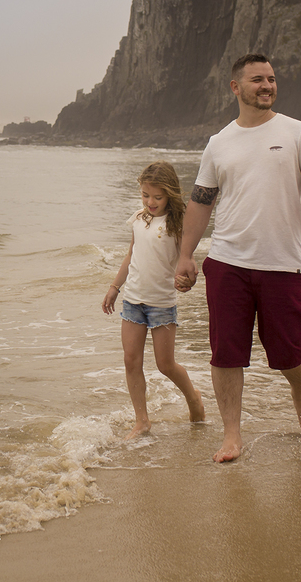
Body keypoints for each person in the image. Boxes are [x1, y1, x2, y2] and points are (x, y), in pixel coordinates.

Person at [174, 54, 301, 463]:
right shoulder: (219, 142)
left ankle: (300, 394)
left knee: (290, 349)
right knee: (226, 351)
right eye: (256, 80)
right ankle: (232, 435)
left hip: (282, 261)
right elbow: (200, 203)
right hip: (227, 260)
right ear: (236, 87)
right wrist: (185, 255)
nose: (266, 85)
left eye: (271, 79)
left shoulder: (297, 132)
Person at [103, 161, 206, 439]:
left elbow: (188, 263)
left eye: (157, 197)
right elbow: (131, 255)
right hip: (132, 301)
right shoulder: (138, 218)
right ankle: (142, 421)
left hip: (161, 304)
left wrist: (188, 279)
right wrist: (115, 286)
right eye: (145, 195)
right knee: (131, 361)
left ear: (169, 194)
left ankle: (193, 397)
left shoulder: (178, 224)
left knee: (165, 364)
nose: (150, 202)